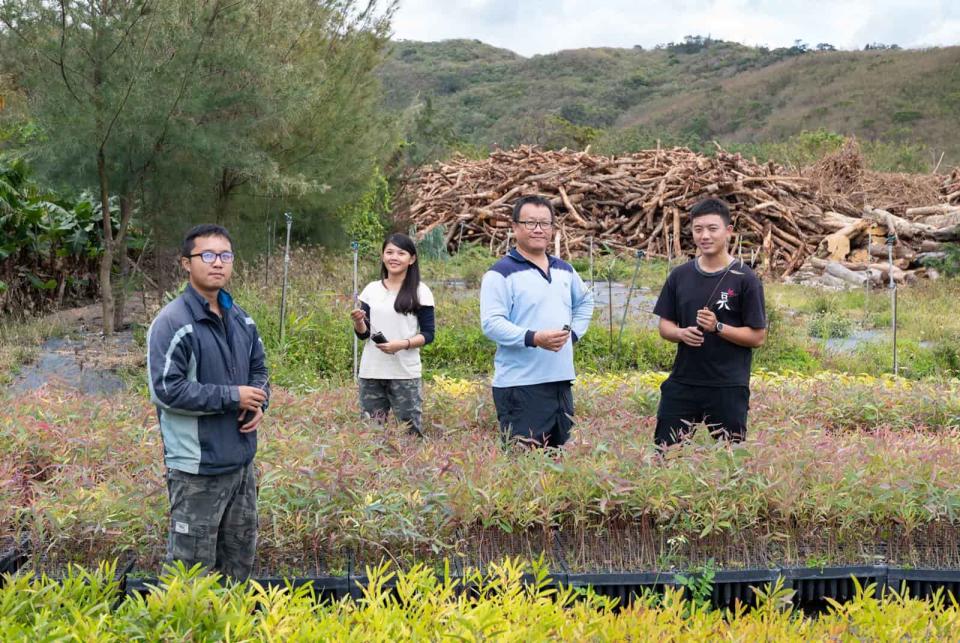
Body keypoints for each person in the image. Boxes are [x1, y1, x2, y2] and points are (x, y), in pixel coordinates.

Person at [146, 224, 269, 580]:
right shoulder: (173, 322)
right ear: (186, 263)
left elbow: (260, 370)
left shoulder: (241, 319)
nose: (218, 263)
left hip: (241, 464)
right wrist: (234, 396)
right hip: (196, 469)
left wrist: (259, 402)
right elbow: (166, 390)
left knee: (239, 565)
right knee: (190, 574)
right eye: (208, 255)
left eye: (226, 255)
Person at [480, 195, 595, 448]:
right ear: (515, 227)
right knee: (524, 468)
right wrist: (534, 337)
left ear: (553, 227)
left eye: (545, 223)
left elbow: (586, 301)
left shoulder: (565, 269)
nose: (538, 229)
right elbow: (491, 323)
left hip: (561, 383)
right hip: (520, 387)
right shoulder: (500, 273)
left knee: (558, 463)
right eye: (530, 222)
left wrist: (572, 335)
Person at [652, 198, 767, 448]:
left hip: (728, 385)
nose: (704, 235)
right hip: (683, 382)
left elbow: (757, 337)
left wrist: (718, 327)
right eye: (698, 229)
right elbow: (665, 326)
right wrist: (681, 333)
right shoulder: (680, 276)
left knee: (730, 458)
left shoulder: (745, 279)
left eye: (712, 229)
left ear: (728, 231)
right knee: (665, 454)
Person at [351, 233, 435, 436]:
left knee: (410, 432)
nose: (394, 257)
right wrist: (358, 321)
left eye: (401, 253)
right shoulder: (371, 290)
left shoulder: (420, 291)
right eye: (389, 252)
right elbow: (364, 335)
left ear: (412, 259)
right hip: (372, 371)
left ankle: (413, 467)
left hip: (405, 373)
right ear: (382, 256)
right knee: (372, 432)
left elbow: (428, 334)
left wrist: (402, 344)